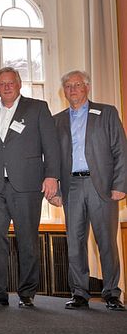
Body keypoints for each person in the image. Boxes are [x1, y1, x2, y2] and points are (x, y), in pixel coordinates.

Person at [0, 67, 59, 307]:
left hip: (27, 185)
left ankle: (27, 292)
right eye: (1, 83)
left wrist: (51, 176)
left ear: (19, 84)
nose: (6, 86)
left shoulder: (38, 108)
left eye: (10, 82)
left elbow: (51, 145)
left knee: (27, 240)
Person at [51, 70, 126, 311]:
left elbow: (120, 151)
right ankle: (80, 293)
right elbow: (52, 158)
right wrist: (55, 189)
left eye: (77, 85)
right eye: (68, 86)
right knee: (75, 242)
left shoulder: (107, 112)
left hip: (101, 186)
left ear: (87, 87)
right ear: (64, 91)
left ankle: (112, 293)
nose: (73, 90)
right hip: (71, 186)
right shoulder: (57, 120)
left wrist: (119, 185)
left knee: (106, 242)